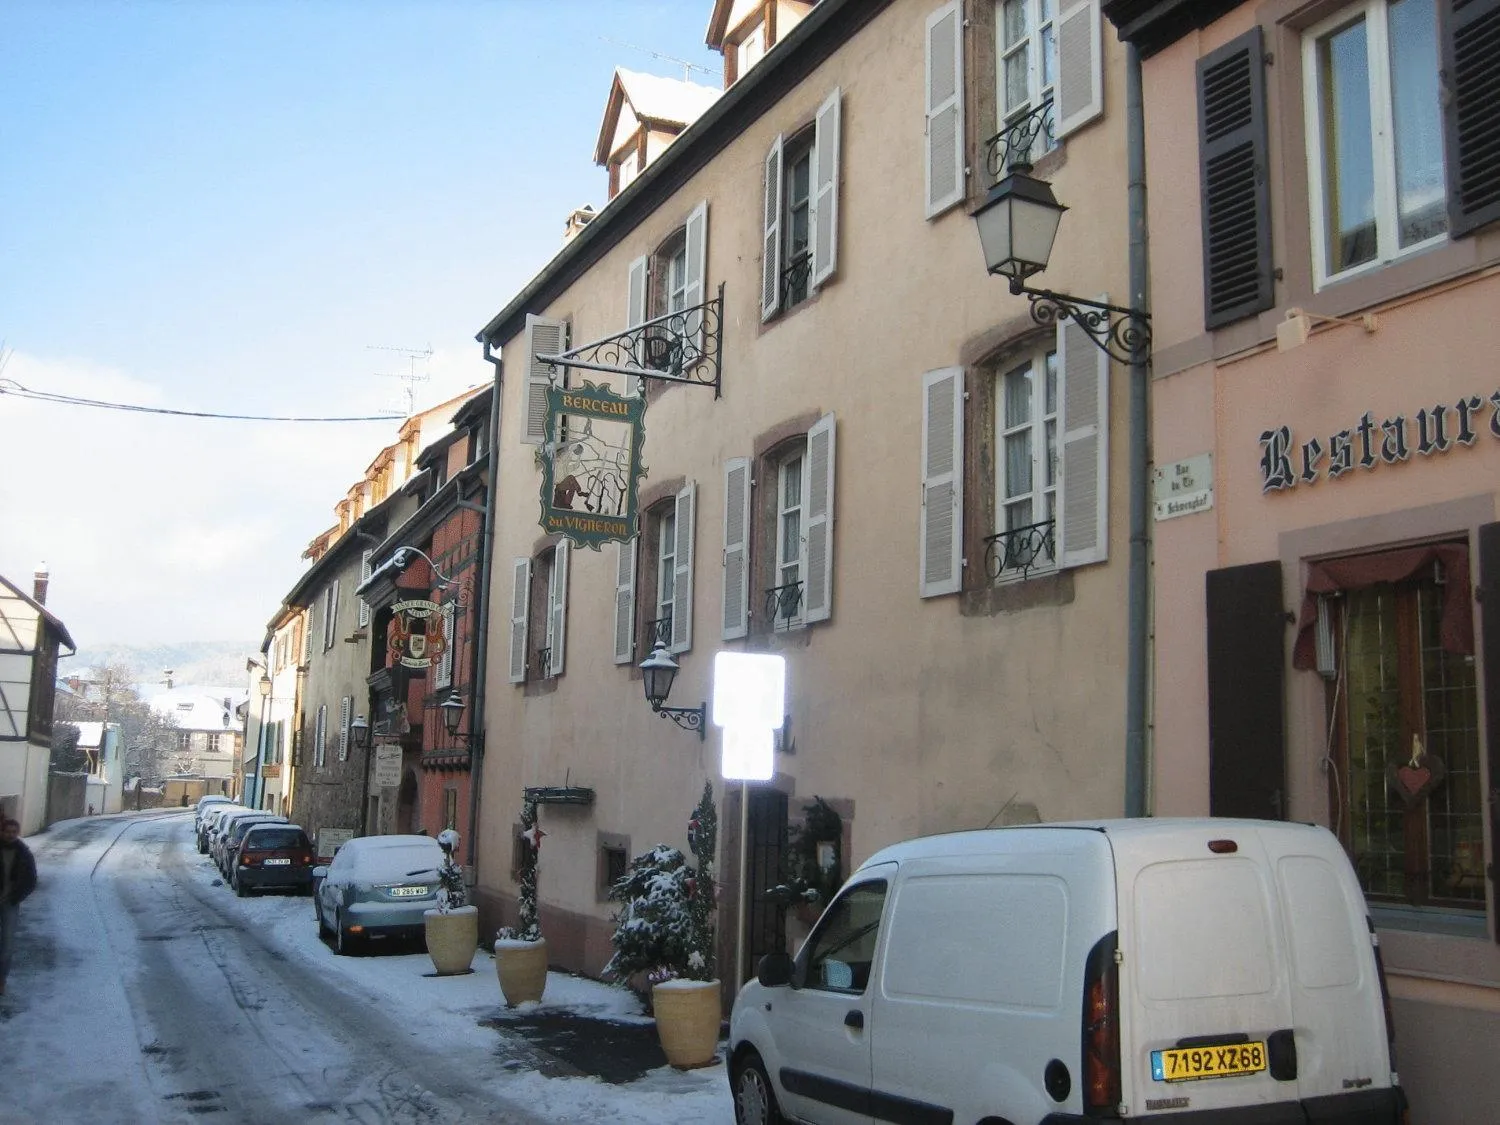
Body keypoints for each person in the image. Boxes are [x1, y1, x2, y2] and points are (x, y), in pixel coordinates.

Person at [0, 818, 38, 996]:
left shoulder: (24, 853)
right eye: (7, 831)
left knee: (7, 944)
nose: (10, 834)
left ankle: (1, 980)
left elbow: (31, 879)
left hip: (10, 903)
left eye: (14, 832)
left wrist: (18, 896)